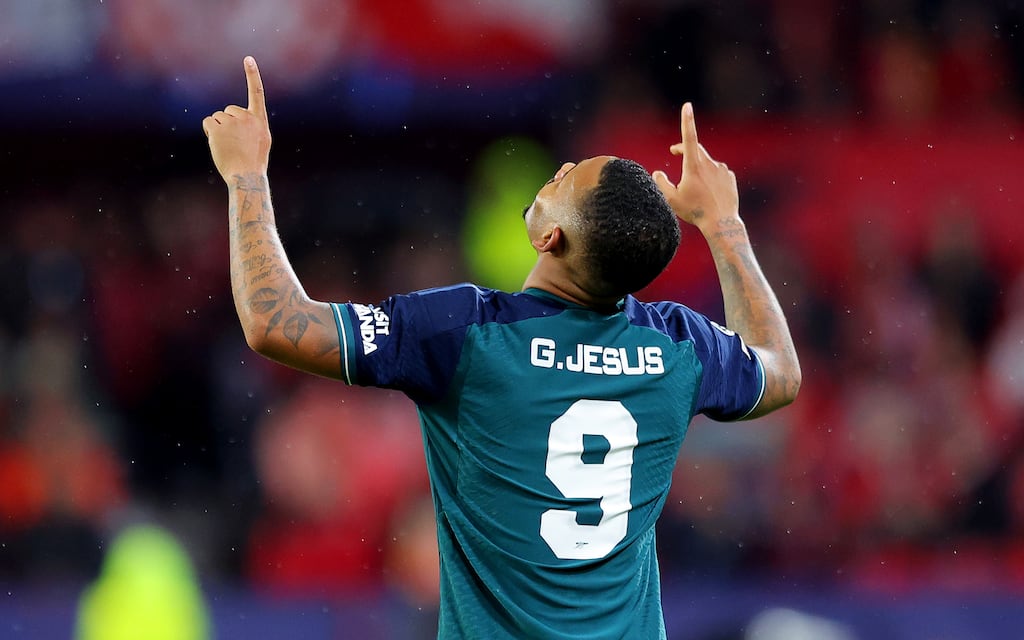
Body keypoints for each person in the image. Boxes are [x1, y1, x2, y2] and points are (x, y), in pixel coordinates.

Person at [203, 56, 801, 640]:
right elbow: (779, 373)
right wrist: (724, 224)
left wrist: (247, 178)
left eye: (567, 176)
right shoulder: (677, 346)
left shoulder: (467, 332)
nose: (560, 164)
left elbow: (275, 324)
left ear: (550, 236)